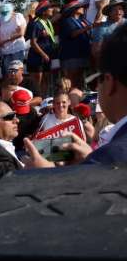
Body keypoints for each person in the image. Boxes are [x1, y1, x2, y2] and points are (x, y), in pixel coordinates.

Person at [25, 23, 127, 165]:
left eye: (97, 82)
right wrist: (89, 157)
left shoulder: (110, 156)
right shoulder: (104, 155)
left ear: (110, 83)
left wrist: (47, 174)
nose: (97, 88)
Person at [26, 0, 58, 96]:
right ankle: (36, 100)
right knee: (37, 82)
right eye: (50, 8)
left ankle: (43, 99)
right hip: (36, 57)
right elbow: (33, 42)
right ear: (43, 11)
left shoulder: (48, 22)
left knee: (46, 79)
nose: (52, 9)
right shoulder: (35, 23)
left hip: (46, 57)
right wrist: (43, 54)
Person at [59, 0, 91, 88]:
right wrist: (87, 28)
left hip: (83, 53)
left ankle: (79, 99)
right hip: (71, 55)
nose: (83, 8)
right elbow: (72, 34)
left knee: (80, 79)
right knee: (71, 80)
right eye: (81, 7)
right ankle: (69, 99)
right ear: (74, 9)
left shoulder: (83, 20)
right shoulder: (67, 21)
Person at [0, 2, 28, 75]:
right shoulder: (0, 18)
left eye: (6, 12)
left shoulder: (18, 16)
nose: (4, 14)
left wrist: (4, 40)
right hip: (5, 51)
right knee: (8, 74)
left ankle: (17, 86)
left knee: (16, 72)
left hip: (17, 49)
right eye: (3, 12)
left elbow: (21, 33)